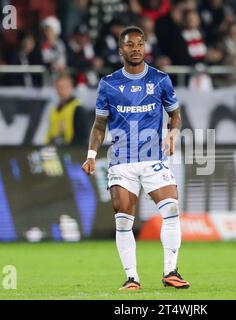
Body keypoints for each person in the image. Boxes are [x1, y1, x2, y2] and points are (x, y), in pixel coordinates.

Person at [81, 26, 189, 291]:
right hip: (122, 161)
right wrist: (91, 155)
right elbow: (99, 125)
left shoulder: (161, 79)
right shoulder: (108, 84)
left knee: (171, 210)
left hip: (153, 159)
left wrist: (172, 134)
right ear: (121, 51)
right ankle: (132, 278)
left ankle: (170, 272)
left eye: (140, 44)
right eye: (130, 45)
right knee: (123, 218)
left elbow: (175, 114)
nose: (136, 48)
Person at [45, 72, 90, 146]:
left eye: (64, 87)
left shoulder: (77, 108)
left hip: (71, 151)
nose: (61, 90)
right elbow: (50, 134)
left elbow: (82, 137)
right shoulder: (54, 110)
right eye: (59, 87)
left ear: (71, 87)